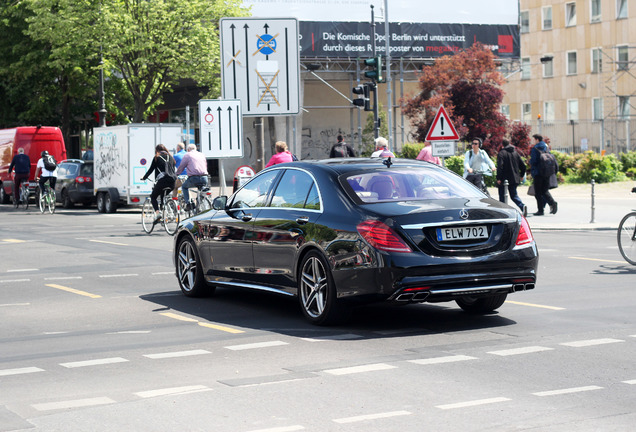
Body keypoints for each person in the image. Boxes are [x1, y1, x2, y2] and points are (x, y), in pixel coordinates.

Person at [141, 144, 177, 221]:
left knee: (153, 197)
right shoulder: (171, 158)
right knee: (163, 196)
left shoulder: (157, 158)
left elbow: (151, 169)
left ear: (157, 150)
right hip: (172, 182)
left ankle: (158, 214)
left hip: (163, 181)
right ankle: (164, 214)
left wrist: (144, 177)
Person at [496, 139, 527, 216]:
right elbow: (523, 166)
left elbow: (500, 166)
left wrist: (499, 178)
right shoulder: (515, 153)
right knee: (514, 195)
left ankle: (503, 212)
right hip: (515, 178)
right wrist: (521, 175)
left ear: (502, 145)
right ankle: (522, 206)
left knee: (502, 196)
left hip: (504, 179)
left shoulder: (502, 153)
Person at [529, 134, 558, 216]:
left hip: (538, 173)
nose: (533, 141)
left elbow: (533, 161)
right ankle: (552, 202)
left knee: (538, 192)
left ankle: (540, 210)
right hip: (547, 172)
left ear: (537, 140)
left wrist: (530, 163)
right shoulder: (546, 147)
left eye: (534, 139)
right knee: (544, 190)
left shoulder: (535, 148)